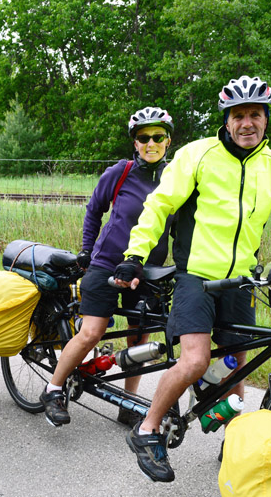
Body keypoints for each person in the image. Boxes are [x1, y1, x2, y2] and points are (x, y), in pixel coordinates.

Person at [113, 76, 271, 482]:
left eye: (255, 114)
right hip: (196, 275)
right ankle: (147, 430)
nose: (247, 123)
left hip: (241, 280)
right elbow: (159, 205)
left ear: (266, 120)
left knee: (236, 367)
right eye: (239, 115)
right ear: (227, 120)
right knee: (196, 360)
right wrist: (134, 255)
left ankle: (234, 444)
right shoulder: (199, 155)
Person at [39, 107, 176, 428]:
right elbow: (94, 210)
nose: (150, 143)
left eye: (157, 136)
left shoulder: (175, 179)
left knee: (138, 339)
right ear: (135, 142)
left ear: (168, 141)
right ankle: (54, 389)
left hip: (146, 271)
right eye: (144, 137)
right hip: (105, 264)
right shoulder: (121, 172)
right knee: (92, 331)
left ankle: (128, 402)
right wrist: (87, 250)